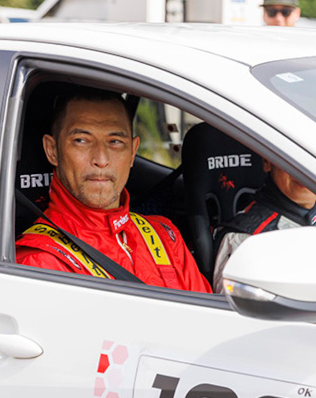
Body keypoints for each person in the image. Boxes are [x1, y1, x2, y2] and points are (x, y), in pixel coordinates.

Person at [16, 87, 211, 293]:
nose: (101, 159)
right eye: (81, 140)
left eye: (115, 142)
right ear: (52, 151)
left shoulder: (164, 236)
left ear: (133, 152)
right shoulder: (40, 264)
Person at [212, 160, 316, 293]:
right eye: (293, 160)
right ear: (267, 163)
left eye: (314, 160)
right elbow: (238, 305)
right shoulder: (246, 241)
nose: (305, 171)